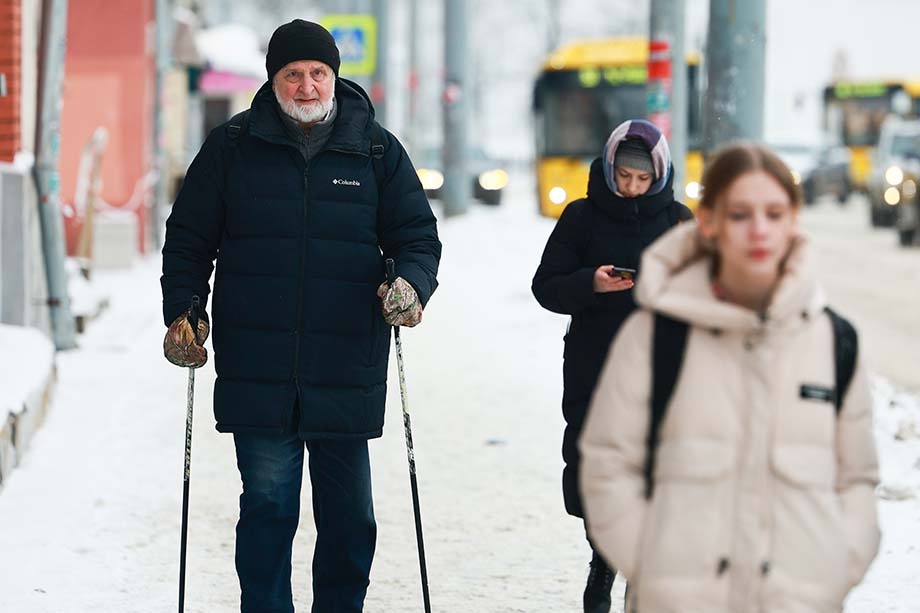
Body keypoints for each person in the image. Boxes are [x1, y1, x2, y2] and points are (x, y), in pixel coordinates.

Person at [160, 19, 441, 613]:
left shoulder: (375, 151)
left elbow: (417, 235)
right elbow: (187, 239)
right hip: (258, 367)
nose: (307, 86)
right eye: (293, 74)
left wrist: (411, 285)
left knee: (350, 519)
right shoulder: (232, 148)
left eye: (318, 73)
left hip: (345, 364)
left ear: (334, 77)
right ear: (273, 80)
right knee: (267, 509)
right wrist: (185, 309)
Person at [579, 143, 880, 612]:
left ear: (793, 221)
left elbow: (857, 480)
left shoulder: (833, 341)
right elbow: (608, 465)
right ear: (708, 222)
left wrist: (834, 574)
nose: (759, 230)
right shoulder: (654, 336)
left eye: (774, 214)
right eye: (740, 214)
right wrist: (652, 570)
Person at [532, 119, 692, 613]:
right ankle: (603, 559)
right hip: (595, 366)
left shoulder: (679, 222)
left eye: (642, 179)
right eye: (624, 176)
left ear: (659, 175)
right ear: (608, 168)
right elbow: (545, 286)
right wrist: (591, 283)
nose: (632, 187)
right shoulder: (581, 217)